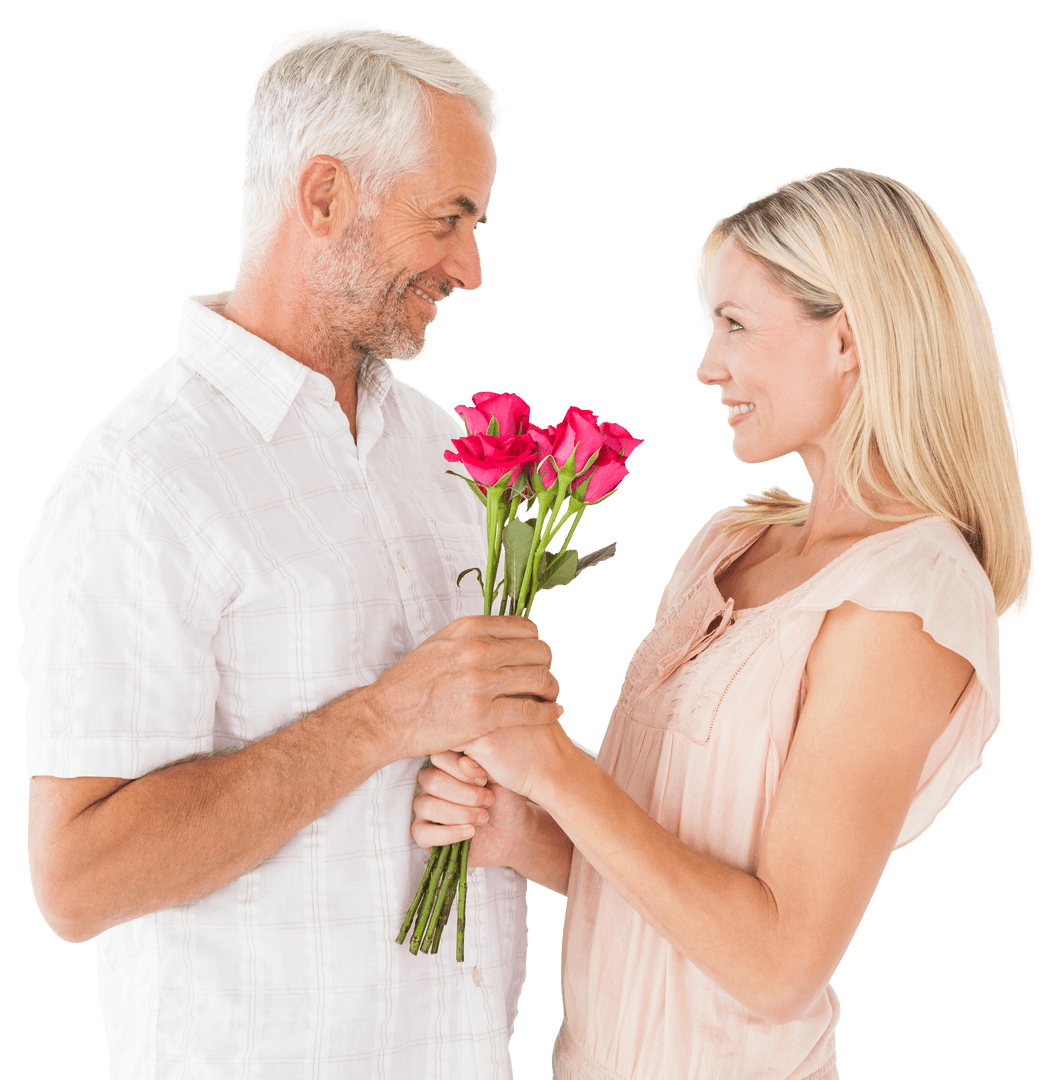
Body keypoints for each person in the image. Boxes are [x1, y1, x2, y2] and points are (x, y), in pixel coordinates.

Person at [20, 22, 562, 1080]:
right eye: (447, 219)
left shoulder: (450, 457)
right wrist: (384, 718)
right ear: (323, 198)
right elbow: (77, 880)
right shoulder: (143, 482)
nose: (472, 267)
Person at [411, 168, 1035, 1079]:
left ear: (849, 339)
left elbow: (779, 965)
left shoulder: (909, 598)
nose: (708, 366)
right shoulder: (731, 542)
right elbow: (676, 874)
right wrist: (526, 828)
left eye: (734, 326)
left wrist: (552, 767)